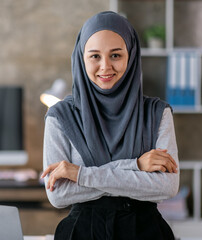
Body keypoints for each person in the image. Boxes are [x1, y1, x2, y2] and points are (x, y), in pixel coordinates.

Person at [41, 11, 179, 240]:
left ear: (131, 56)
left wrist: (80, 175)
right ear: (81, 58)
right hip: (81, 234)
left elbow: (166, 186)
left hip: (145, 233)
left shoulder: (157, 113)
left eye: (116, 55)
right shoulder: (60, 117)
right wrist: (136, 166)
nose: (105, 67)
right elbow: (59, 195)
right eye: (95, 56)